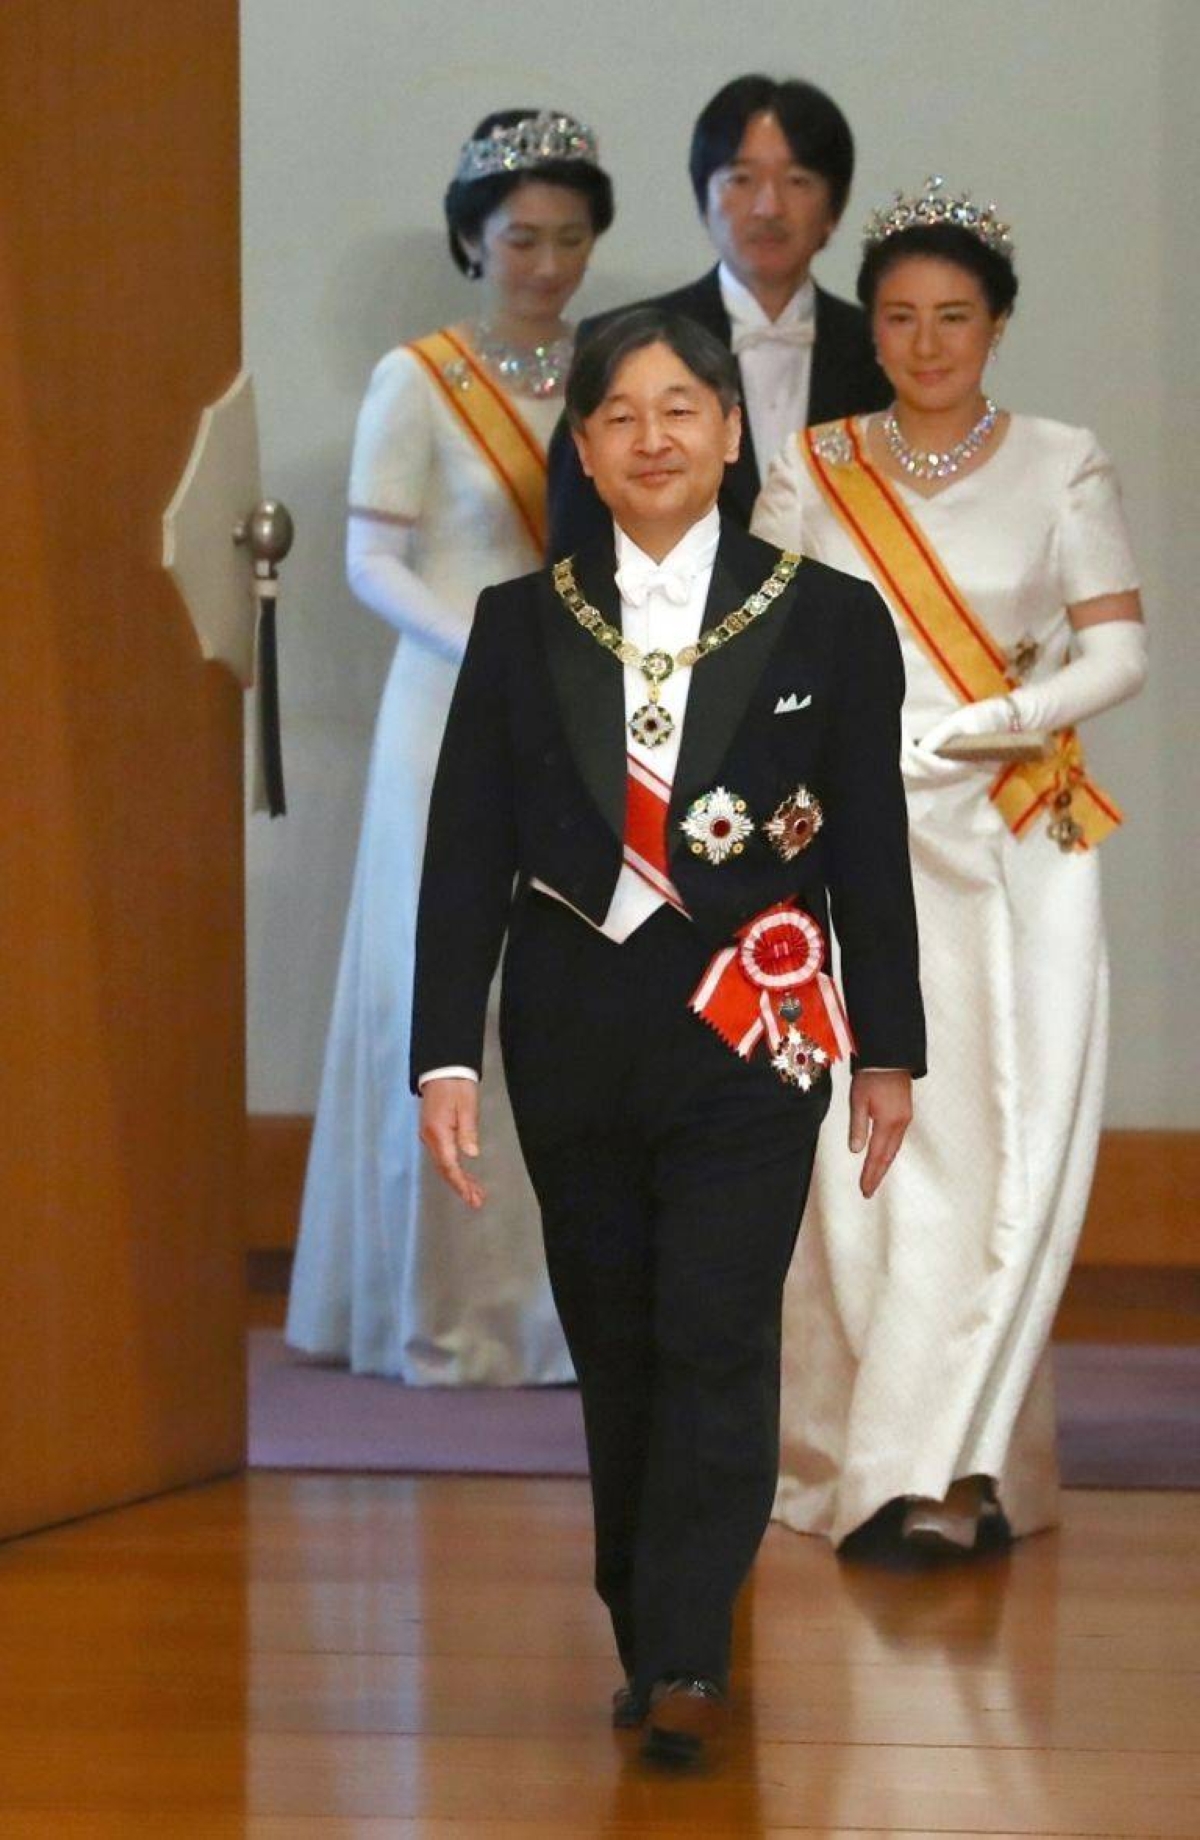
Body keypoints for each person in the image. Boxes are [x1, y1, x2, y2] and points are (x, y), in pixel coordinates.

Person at [412, 308, 924, 1761]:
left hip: (750, 1027)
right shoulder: (522, 621)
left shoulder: (827, 617)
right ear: (582, 447)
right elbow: (466, 852)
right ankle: (646, 1626)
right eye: (621, 415)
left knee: (717, 1324)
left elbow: (870, 850)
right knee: (618, 1335)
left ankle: (693, 1652)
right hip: (573, 1024)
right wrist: (444, 1053)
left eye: (682, 407)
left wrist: (889, 1047)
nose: (654, 438)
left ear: (731, 431)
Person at [752, 178, 1148, 1554]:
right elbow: (760, 641)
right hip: (849, 844)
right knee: (861, 1164)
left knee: (1000, 1148)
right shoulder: (815, 466)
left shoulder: (1062, 461)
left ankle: (962, 1466)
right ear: (873, 326)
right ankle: (869, 1463)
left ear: (998, 324)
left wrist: (1009, 718)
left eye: (956, 318)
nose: (927, 344)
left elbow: (1119, 646)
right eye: (902, 318)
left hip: (1011, 838)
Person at [285, 111, 614, 1382]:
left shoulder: (615, 370)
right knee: (444, 991)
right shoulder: (416, 380)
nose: (547, 263)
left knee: (568, 991)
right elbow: (372, 559)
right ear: (472, 240)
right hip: (448, 709)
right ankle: (440, 1307)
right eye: (522, 238)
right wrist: (489, 648)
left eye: (571, 238)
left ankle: (558, 1311)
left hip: (584, 712)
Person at [546, 73, 889, 559]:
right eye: (740, 180)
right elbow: (577, 542)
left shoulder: (883, 349)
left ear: (835, 208)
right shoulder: (620, 343)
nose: (768, 207)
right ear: (703, 199)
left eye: (797, 181)